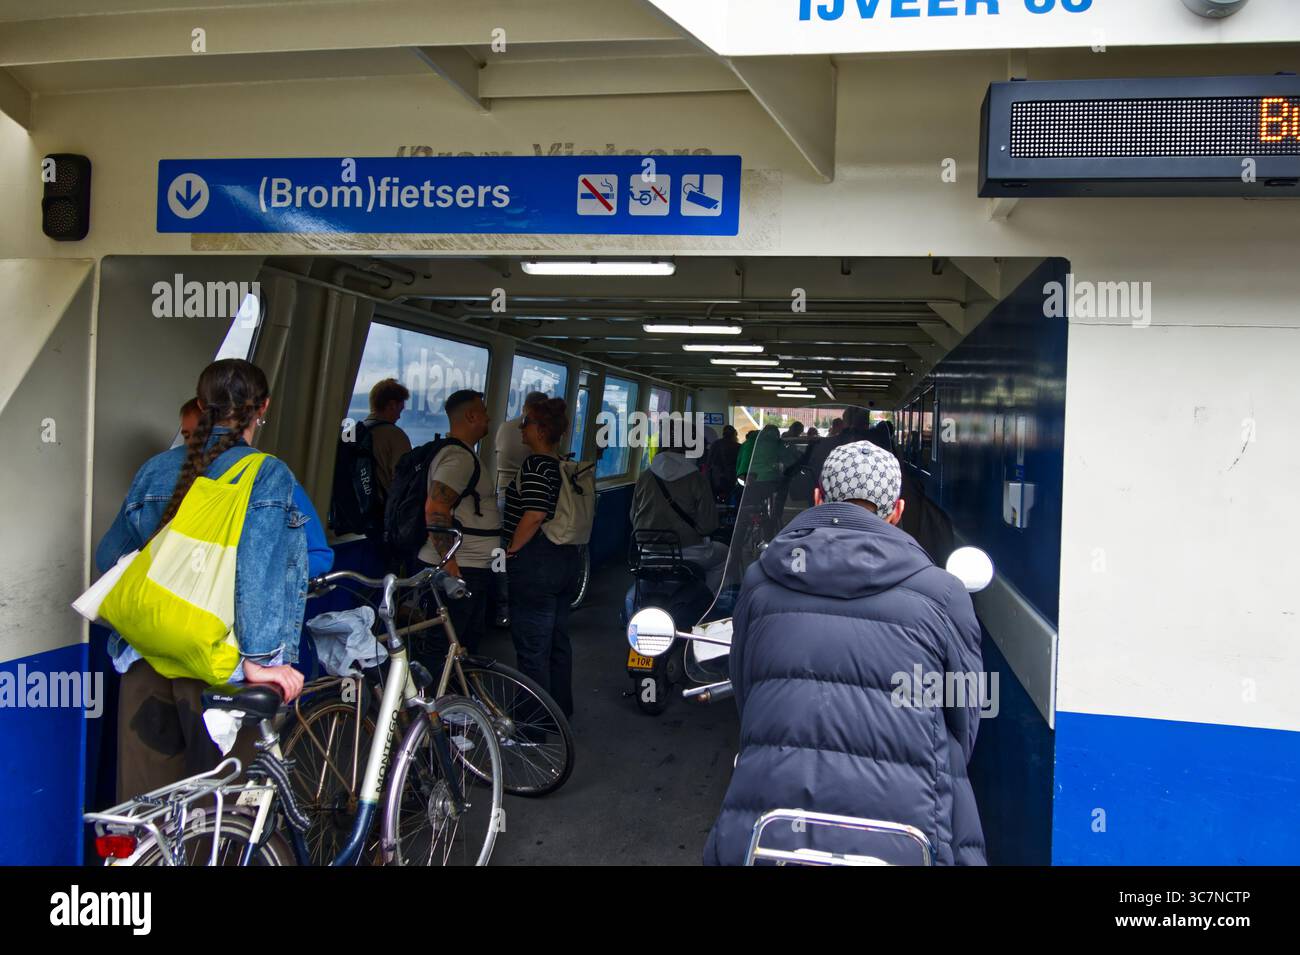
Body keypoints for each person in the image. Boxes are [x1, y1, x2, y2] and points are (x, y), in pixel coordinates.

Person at [703, 440, 985, 866]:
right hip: (909, 831)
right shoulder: (944, 595)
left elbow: (747, 695)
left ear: (817, 498)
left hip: (769, 829)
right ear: (897, 512)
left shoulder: (761, 582)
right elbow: (964, 724)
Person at [97, 359, 308, 800]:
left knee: (145, 817)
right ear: (263, 407)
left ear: (200, 404)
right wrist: (262, 661)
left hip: (144, 662)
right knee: (226, 816)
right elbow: (258, 576)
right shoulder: (266, 474)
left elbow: (109, 558)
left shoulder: (154, 470)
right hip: (219, 678)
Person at [503, 398, 579, 718]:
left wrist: (511, 551)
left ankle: (530, 725)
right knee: (557, 642)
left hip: (536, 563)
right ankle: (560, 712)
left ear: (542, 430)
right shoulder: (562, 465)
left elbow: (534, 514)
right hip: (564, 560)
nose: (521, 429)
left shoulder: (535, 465)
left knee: (532, 647)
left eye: (526, 423)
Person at [418, 389, 502, 658]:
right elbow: (436, 508)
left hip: (470, 565)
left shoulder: (463, 454)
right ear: (471, 415)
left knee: (463, 640)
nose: (489, 418)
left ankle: (452, 697)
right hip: (461, 568)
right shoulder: (459, 459)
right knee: (448, 645)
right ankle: (437, 698)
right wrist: (450, 567)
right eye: (485, 412)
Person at [631, 425, 728, 591]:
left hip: (646, 550)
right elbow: (708, 526)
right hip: (687, 550)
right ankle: (709, 605)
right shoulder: (696, 477)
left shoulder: (645, 475)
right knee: (724, 555)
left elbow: (633, 516)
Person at [363, 377, 412, 503]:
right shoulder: (395, 436)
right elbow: (404, 482)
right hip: (379, 514)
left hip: (346, 516)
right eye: (400, 410)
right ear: (391, 405)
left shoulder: (350, 433)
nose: (399, 416)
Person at [705, 425, 740, 501]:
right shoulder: (738, 446)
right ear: (734, 434)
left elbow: (709, 462)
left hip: (716, 477)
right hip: (731, 477)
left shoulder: (715, 444)